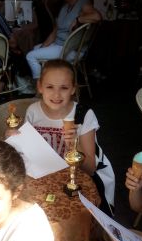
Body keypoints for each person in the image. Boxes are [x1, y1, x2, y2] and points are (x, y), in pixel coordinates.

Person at [12, 59, 115, 214]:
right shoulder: (33, 111)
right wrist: (14, 139)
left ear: (73, 89)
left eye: (64, 88)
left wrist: (74, 144)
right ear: (40, 87)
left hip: (76, 180)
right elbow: (28, 154)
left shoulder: (82, 115)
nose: (56, 94)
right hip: (45, 177)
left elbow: (90, 169)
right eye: (50, 87)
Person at [25, 0, 101, 83]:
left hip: (70, 49)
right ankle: (51, 81)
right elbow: (55, 31)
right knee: (35, 49)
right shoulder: (65, 7)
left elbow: (97, 16)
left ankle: (40, 87)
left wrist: (79, 19)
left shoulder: (83, 4)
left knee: (30, 56)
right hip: (59, 45)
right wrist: (44, 46)